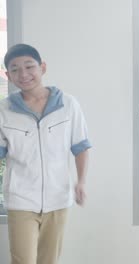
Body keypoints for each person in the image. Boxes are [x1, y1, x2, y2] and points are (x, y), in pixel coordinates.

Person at [0, 43, 91, 264]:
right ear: (7, 75)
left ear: (43, 67)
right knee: (24, 260)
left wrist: (81, 182)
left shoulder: (68, 105)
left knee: (49, 260)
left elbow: (81, 146)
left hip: (58, 198)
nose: (23, 74)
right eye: (15, 69)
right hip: (21, 199)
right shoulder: (4, 110)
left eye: (29, 66)